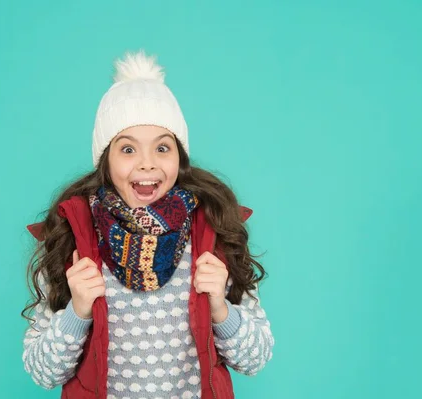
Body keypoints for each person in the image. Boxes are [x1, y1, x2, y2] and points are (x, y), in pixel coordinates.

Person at [21, 50, 274, 399]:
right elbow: (42, 372)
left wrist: (220, 307)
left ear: (179, 157)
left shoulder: (213, 234)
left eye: (162, 148)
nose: (146, 164)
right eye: (127, 150)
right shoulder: (73, 240)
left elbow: (255, 358)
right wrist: (77, 311)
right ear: (105, 161)